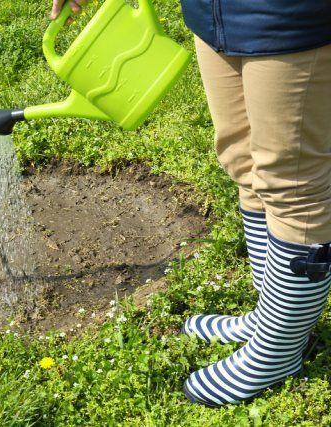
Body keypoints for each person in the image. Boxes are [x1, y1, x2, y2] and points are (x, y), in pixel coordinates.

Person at [50, 0, 331, 407]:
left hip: (289, 16)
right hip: (215, 11)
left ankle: (280, 350)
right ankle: (269, 318)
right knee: (241, 157)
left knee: (292, 182)